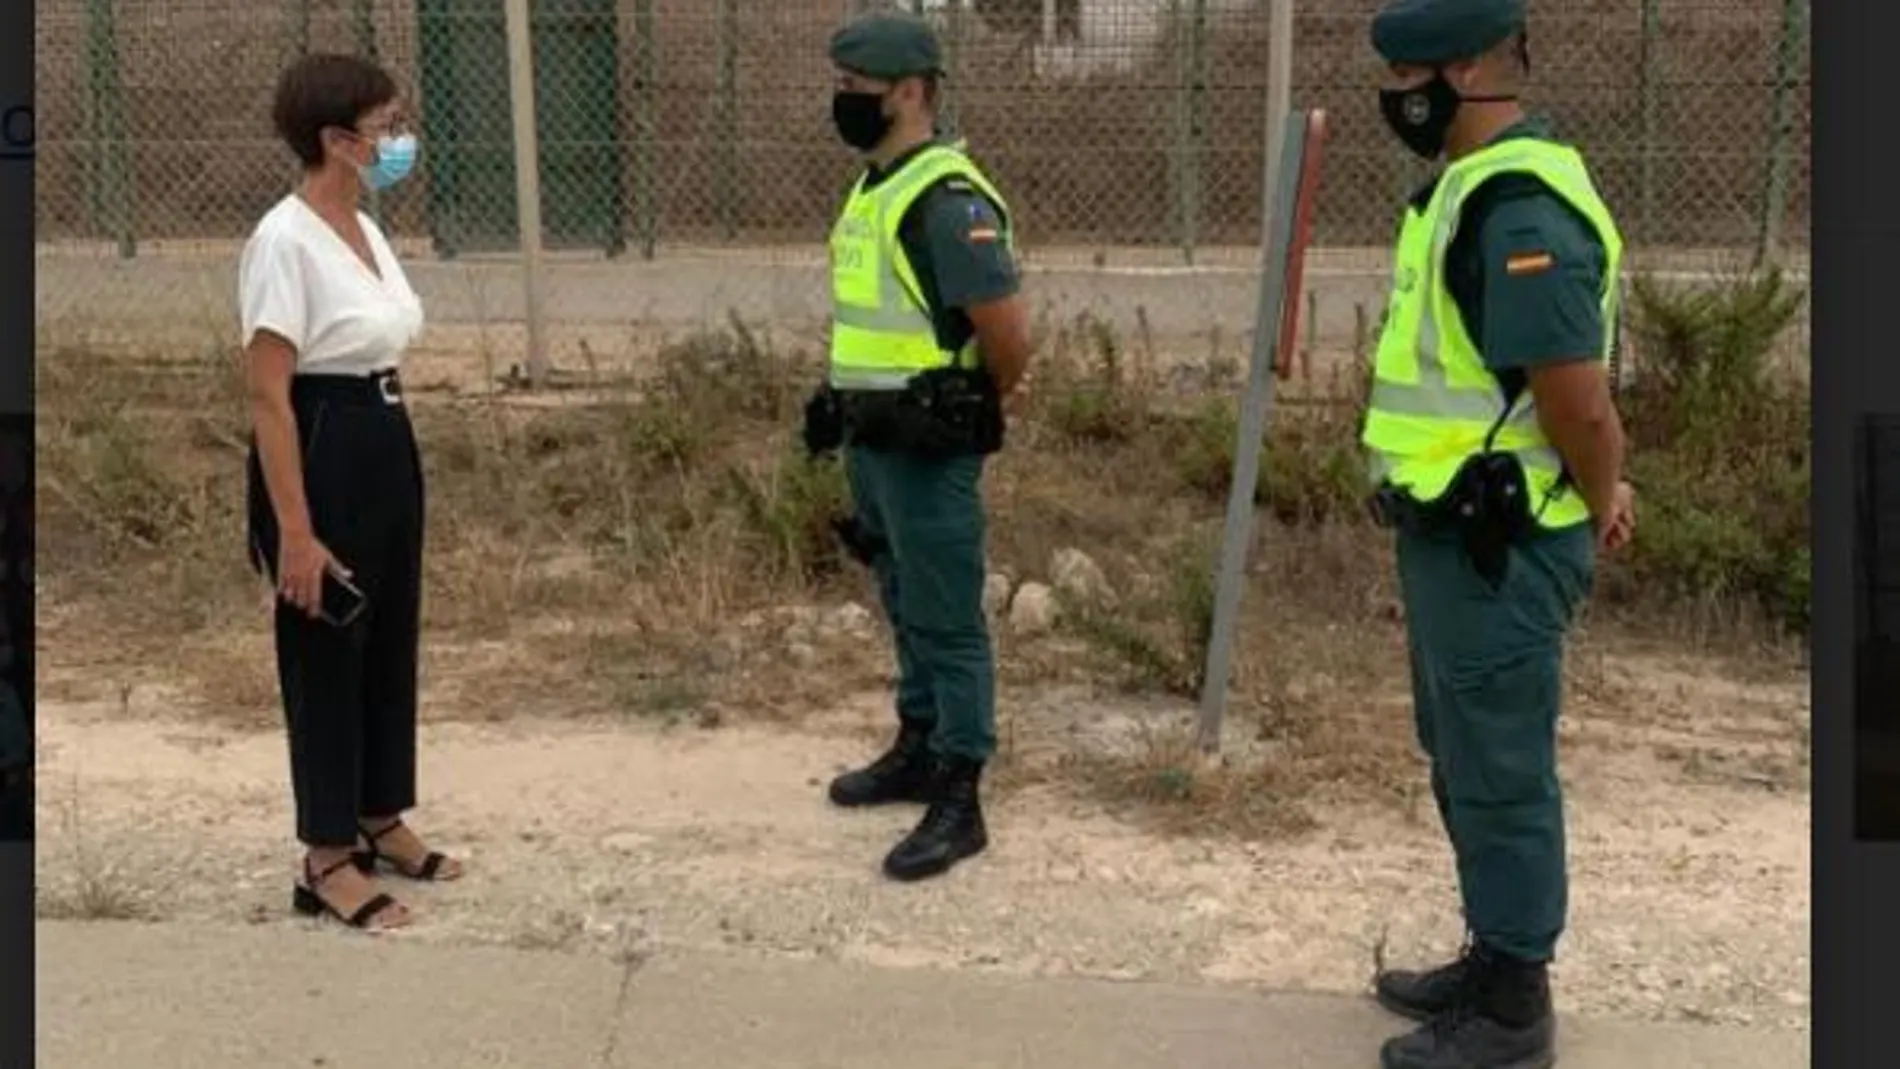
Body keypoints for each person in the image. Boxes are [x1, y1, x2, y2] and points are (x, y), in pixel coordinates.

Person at [1356, 1, 1637, 1066]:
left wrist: (1605, 488)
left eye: (1407, 70)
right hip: (1451, 537)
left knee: (1501, 767)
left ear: (1470, 66)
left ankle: (1515, 1007)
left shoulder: (1518, 206)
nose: (1394, 92)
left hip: (1501, 548)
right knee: (1464, 754)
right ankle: (1493, 950)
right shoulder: (1462, 193)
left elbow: (1576, 399)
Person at [803, 12, 1032, 882]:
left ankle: (961, 787)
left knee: (947, 613)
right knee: (901, 591)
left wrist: (972, 403)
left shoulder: (945, 197)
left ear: (910, 92)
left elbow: (1007, 334)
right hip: (874, 438)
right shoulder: (874, 188)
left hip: (928, 447)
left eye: (858, 91)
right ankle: (918, 741)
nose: (844, 103)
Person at [240, 52, 463, 932]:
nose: (399, 139)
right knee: (326, 647)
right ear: (337, 140)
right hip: (320, 440)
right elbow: (267, 392)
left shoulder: (365, 231)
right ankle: (326, 853)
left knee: (387, 635)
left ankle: (381, 813)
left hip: (385, 434)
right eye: (385, 125)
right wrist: (294, 530)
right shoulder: (282, 240)